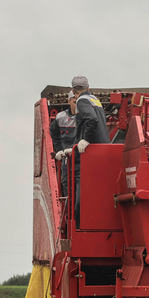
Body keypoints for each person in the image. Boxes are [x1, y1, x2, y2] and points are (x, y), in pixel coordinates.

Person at [67, 75, 110, 224]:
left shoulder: (81, 101)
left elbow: (90, 120)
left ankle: (80, 225)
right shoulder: (95, 100)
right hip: (104, 152)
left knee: (82, 196)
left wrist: (85, 139)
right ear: (88, 87)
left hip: (89, 156)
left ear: (73, 90)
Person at [50, 91, 77, 197]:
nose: (77, 105)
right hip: (67, 159)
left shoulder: (85, 117)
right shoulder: (60, 117)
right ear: (69, 101)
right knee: (67, 183)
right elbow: (54, 133)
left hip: (81, 157)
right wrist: (59, 149)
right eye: (75, 102)